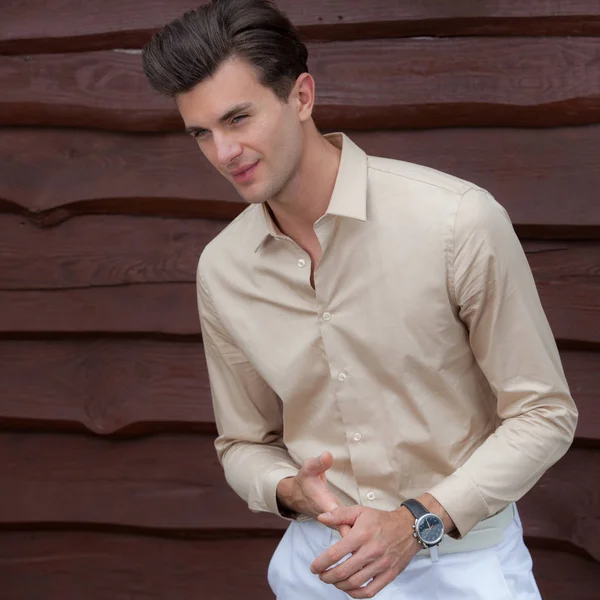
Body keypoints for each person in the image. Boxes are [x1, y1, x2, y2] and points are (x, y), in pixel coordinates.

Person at [142, 1, 578, 598]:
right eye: (201, 133)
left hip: (461, 566)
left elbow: (544, 415)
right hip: (317, 568)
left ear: (301, 96)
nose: (223, 153)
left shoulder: (455, 222)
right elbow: (244, 443)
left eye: (239, 119)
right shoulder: (222, 269)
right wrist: (290, 488)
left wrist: (416, 521)